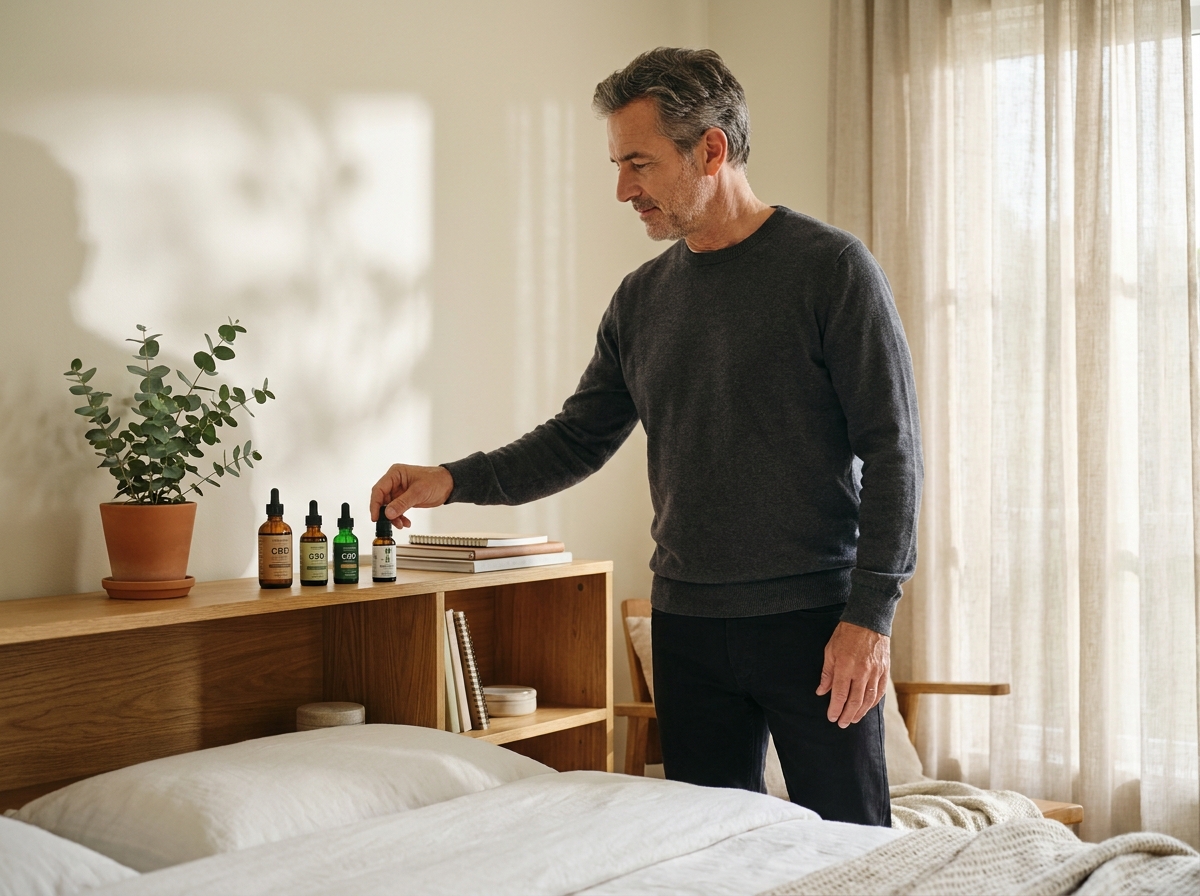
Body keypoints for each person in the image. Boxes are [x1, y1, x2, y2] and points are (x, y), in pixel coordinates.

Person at [370, 47, 922, 827]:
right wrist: (451, 479)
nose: (623, 189)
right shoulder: (642, 299)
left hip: (815, 624)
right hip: (688, 628)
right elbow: (575, 439)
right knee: (703, 857)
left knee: (854, 850)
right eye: (617, 164)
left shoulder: (830, 269)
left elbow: (895, 449)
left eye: (640, 163)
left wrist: (871, 617)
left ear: (712, 150)